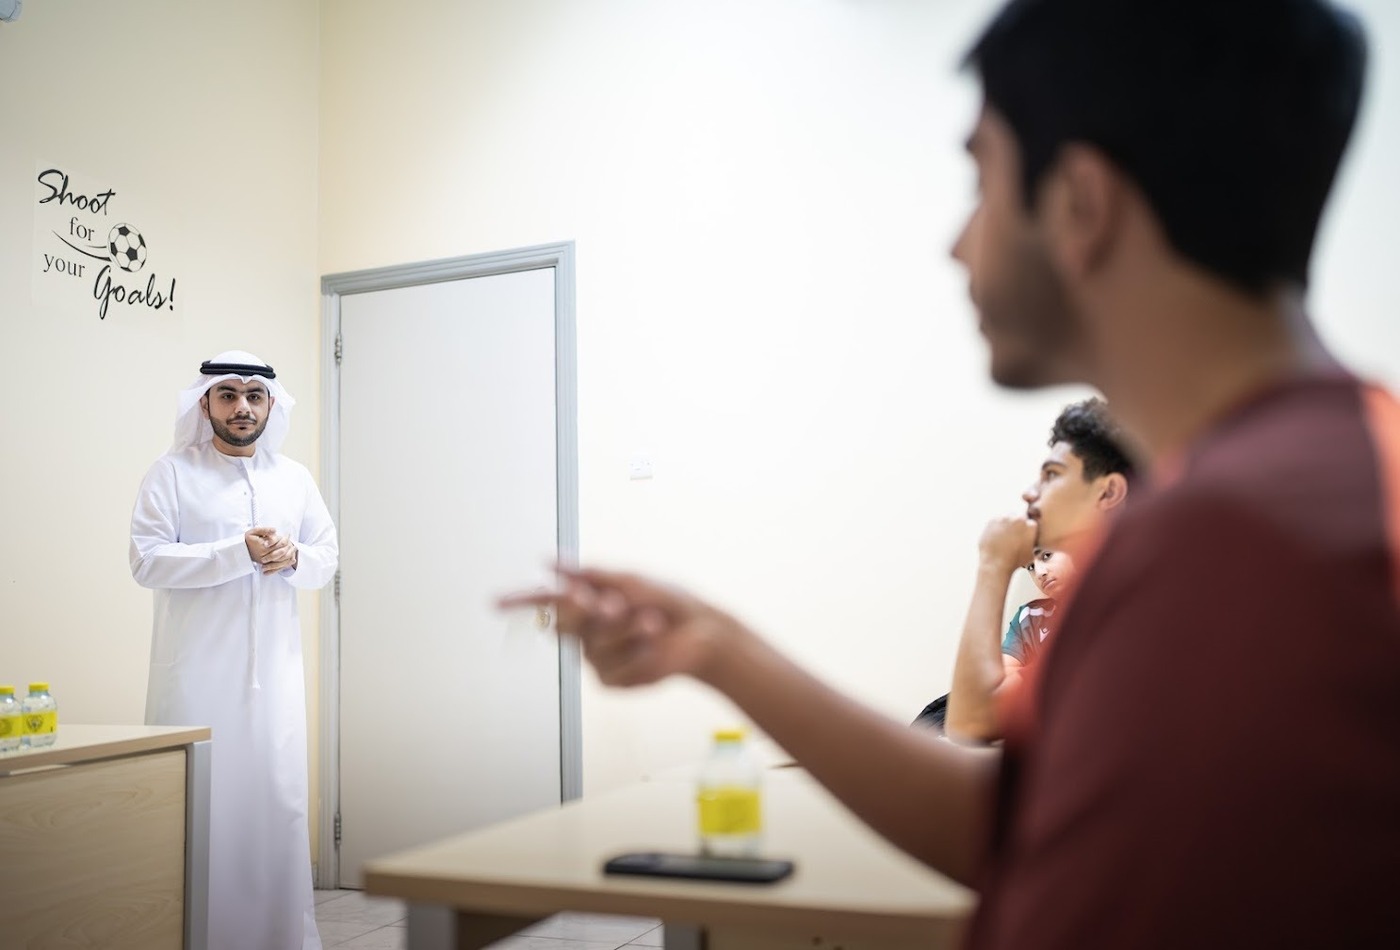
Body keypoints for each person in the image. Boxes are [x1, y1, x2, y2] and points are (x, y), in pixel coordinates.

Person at [502, 1, 1400, 946]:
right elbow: (1017, 818)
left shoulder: (1226, 540)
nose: (957, 242)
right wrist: (718, 648)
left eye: (980, 181)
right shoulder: (1327, 472)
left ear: (1081, 206)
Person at [130, 351, 338, 950]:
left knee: (276, 806)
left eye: (254, 396)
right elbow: (146, 560)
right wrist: (236, 551)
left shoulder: (294, 478)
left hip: (274, 680)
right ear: (205, 403)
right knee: (200, 813)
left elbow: (325, 555)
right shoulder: (170, 473)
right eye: (228, 395)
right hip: (194, 681)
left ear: (272, 405)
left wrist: (292, 556)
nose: (242, 407)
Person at [943, 397, 1132, 743]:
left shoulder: (1131, 599)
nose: (1030, 494)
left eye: (1051, 475)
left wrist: (994, 563)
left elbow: (971, 721)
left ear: (1108, 492)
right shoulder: (1084, 602)